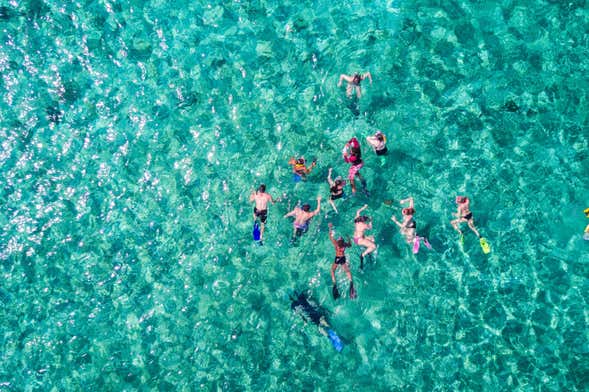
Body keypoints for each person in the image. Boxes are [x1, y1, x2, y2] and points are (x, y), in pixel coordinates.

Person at [328, 223, 356, 299]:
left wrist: (330, 228)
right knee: (347, 271)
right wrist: (348, 238)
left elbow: (330, 236)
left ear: (338, 241)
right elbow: (350, 245)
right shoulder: (344, 244)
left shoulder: (336, 244)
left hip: (337, 258)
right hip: (343, 258)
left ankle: (334, 284)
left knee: (332, 270)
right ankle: (351, 281)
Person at [353, 204, 376, 269]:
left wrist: (364, 207)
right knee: (374, 246)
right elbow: (370, 227)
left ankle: (368, 250)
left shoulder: (357, 220)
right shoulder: (364, 225)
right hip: (360, 240)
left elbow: (358, 211)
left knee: (372, 238)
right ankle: (363, 255)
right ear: (363, 221)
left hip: (356, 238)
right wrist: (371, 221)